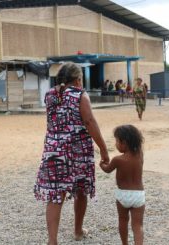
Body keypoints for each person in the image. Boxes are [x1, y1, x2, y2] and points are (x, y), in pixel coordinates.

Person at [34, 62, 109, 245]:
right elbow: (89, 122)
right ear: (77, 80)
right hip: (78, 151)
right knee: (81, 190)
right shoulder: (80, 95)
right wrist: (104, 149)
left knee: (55, 194)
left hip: (53, 150)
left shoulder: (50, 95)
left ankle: (52, 240)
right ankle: (77, 231)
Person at [100, 125, 145, 245]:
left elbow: (107, 169)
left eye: (117, 141)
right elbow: (138, 146)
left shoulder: (117, 160)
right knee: (138, 225)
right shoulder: (140, 155)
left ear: (124, 142)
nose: (116, 144)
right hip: (138, 195)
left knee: (123, 220)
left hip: (122, 195)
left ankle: (124, 243)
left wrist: (102, 164)